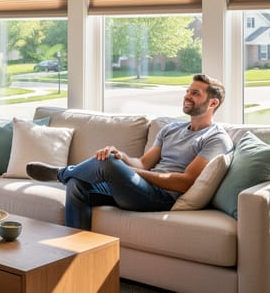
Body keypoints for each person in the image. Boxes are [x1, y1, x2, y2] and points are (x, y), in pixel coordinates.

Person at [27, 73, 233, 230]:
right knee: (78, 183)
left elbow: (185, 182)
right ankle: (77, 251)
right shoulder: (171, 129)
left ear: (212, 103)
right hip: (140, 189)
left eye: (195, 93)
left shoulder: (215, 138)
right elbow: (143, 163)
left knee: (107, 163)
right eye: (188, 91)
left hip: (162, 197)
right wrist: (121, 156)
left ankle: (60, 173)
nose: (187, 96)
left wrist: (128, 171)